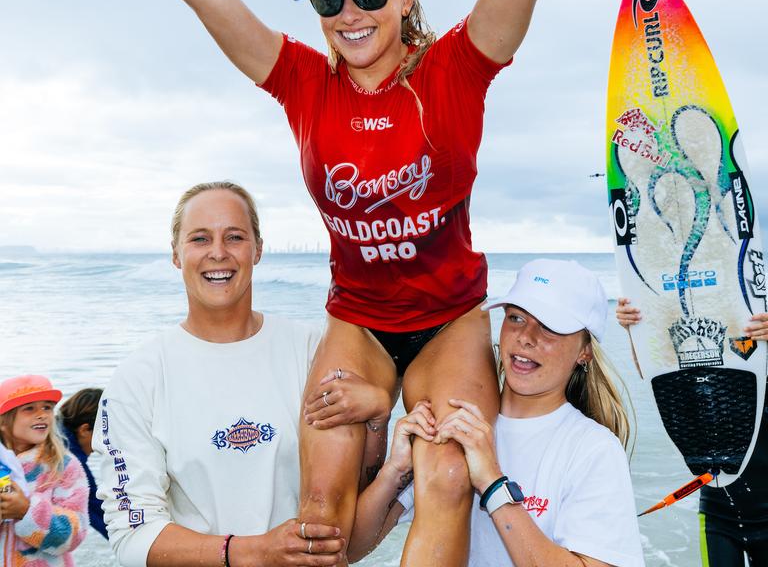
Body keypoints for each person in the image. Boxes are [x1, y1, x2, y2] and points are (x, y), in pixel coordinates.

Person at [58, 0, 643, 562]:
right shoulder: (302, 81)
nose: (349, 13)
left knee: (443, 474)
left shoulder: (457, 70)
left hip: (449, 321)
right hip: (358, 321)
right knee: (319, 521)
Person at [92, 180, 389, 567]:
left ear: (258, 249)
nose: (218, 253)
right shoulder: (139, 378)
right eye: (200, 239)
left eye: (234, 237)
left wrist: (378, 417)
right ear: (176, 254)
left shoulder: (311, 351)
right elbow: (132, 535)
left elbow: (350, 512)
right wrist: (255, 552)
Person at [348, 259, 644, 566]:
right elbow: (353, 548)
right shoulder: (459, 421)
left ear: (584, 351)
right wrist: (395, 470)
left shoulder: (592, 448)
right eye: (516, 318)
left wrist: (492, 483)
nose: (527, 337)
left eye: (549, 326)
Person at [617, 298, 768, 566]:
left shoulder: (755, 350)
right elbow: (655, 369)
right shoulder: (712, 361)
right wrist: (637, 330)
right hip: (719, 513)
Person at [0, 374, 89, 566]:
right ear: (3, 422)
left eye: (47, 407)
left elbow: (76, 532)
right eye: (29, 408)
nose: (41, 414)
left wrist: (26, 510)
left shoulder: (64, 466)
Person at [58, 387, 108, 540]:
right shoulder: (68, 455)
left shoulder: (54, 431)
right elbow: (95, 507)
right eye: (104, 435)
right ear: (84, 430)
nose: (104, 445)